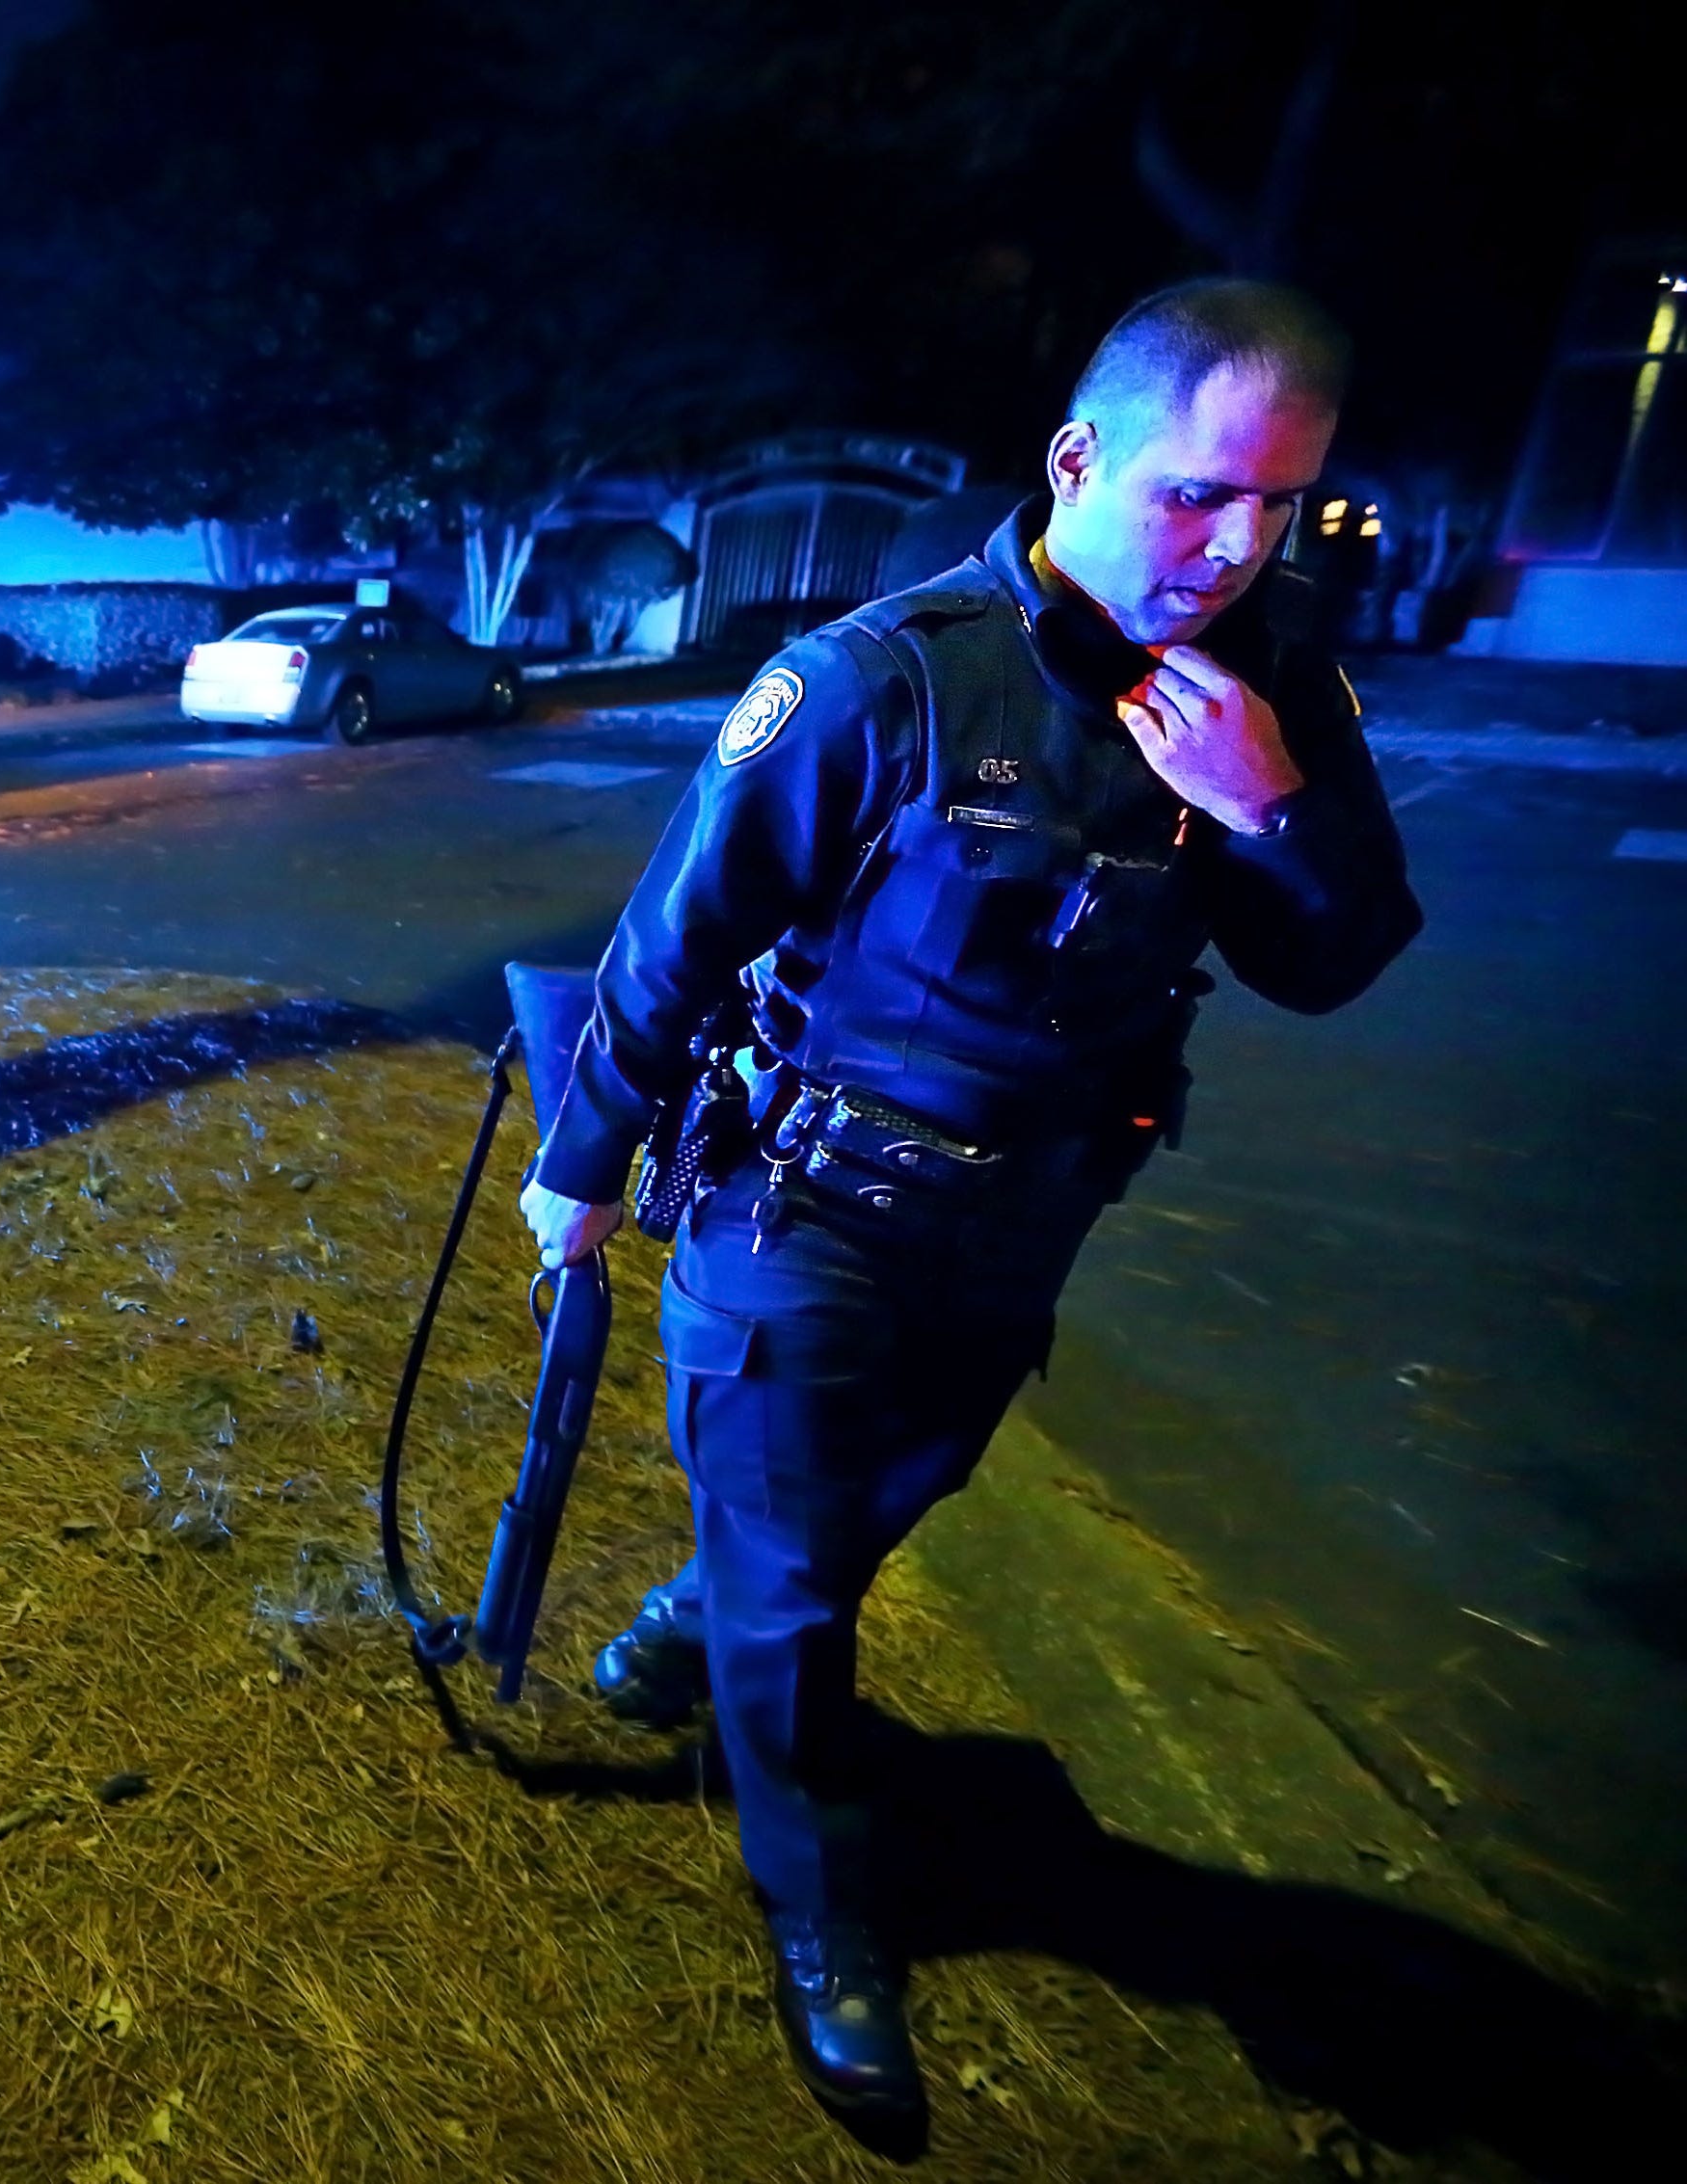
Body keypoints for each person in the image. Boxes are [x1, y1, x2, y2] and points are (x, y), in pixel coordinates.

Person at [519, 279, 1423, 2136]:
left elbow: (1337, 958)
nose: (1236, 547)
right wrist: (579, 1161)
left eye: (1283, 506)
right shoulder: (881, 677)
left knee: (891, 1498)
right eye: (1197, 496)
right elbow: (674, 933)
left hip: (1029, 1227)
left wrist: (1270, 811)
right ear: (1079, 457)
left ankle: (701, 1607)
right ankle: (823, 1914)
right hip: (805, 1220)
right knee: (798, 1606)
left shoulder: (1278, 685)